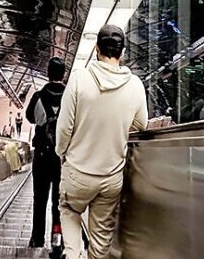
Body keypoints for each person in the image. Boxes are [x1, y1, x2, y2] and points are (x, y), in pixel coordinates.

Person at [56, 25, 147, 259]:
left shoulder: (79, 79)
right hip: (111, 177)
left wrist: (61, 152)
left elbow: (64, 127)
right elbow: (141, 125)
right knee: (101, 237)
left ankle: (72, 254)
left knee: (69, 211)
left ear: (96, 48)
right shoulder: (135, 85)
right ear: (123, 52)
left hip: (78, 171)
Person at [25, 56, 66, 248]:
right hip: (62, 158)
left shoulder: (38, 97)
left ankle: (37, 239)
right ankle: (57, 238)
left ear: (48, 74)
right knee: (59, 200)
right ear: (63, 74)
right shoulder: (70, 97)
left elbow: (30, 118)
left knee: (39, 199)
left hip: (41, 156)